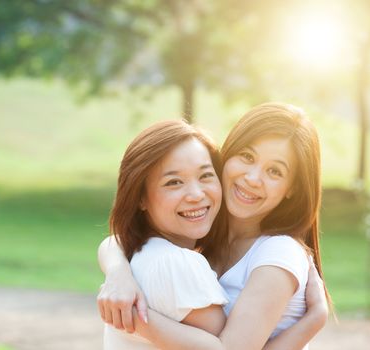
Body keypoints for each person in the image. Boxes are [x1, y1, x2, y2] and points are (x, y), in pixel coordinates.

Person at [98, 103, 331, 349]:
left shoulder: (278, 252)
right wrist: (117, 274)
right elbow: (117, 240)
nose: (252, 178)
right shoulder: (204, 235)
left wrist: (136, 318)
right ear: (227, 156)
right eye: (247, 157)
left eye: (274, 171)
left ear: (292, 188)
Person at [103, 120, 228, 349]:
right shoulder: (175, 264)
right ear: (140, 197)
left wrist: (115, 270)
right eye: (174, 182)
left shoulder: (140, 255)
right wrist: (312, 320)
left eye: (205, 176)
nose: (196, 194)